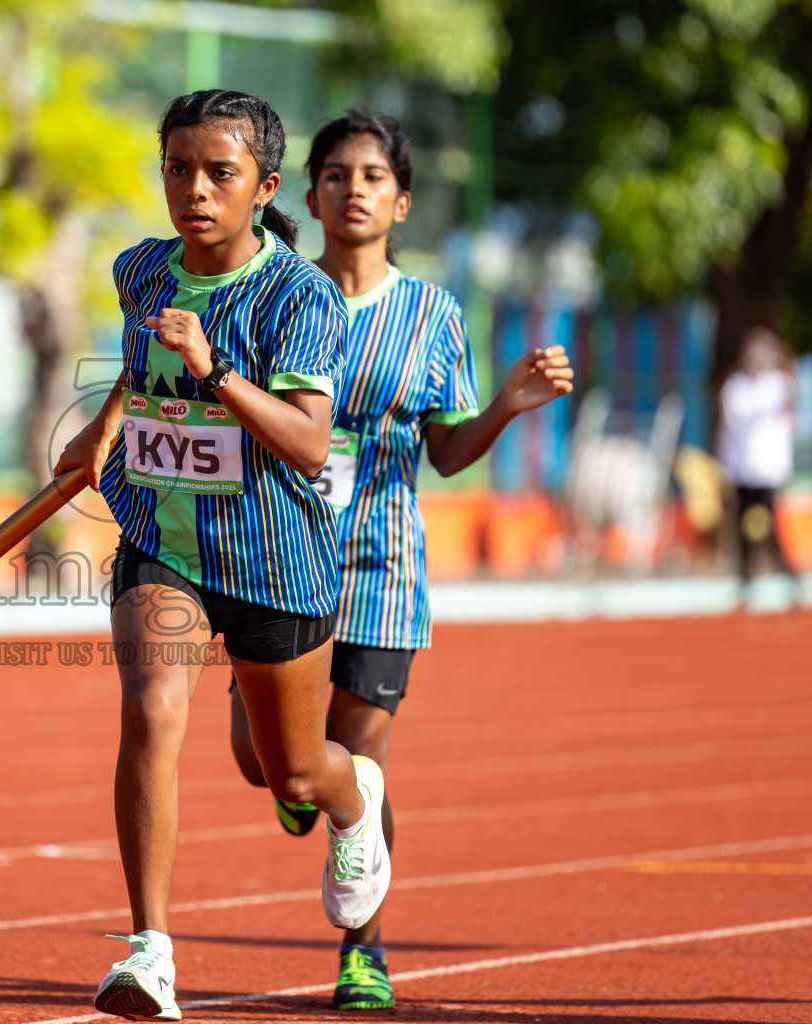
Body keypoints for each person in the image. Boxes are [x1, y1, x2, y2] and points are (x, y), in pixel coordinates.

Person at [226, 106, 574, 1011]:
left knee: (358, 762)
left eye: (373, 176)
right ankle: (309, 785)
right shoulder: (273, 293)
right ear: (308, 195)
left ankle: (363, 951)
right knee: (264, 765)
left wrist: (504, 404)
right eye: (336, 175)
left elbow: (448, 450)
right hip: (268, 559)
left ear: (403, 201)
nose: (354, 190)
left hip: (381, 569)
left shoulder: (431, 313)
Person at [54, 90, 391, 1022]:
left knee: (287, 776)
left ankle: (352, 799)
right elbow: (137, 358)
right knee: (152, 711)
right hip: (162, 541)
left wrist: (213, 368)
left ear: (265, 187)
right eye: (176, 169)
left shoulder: (301, 297)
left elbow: (313, 443)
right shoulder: (139, 271)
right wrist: (103, 430)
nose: (193, 189)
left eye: (219, 173)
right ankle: (148, 952)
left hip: (275, 560)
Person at [716, 327, 800, 603]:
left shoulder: (778, 383)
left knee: (771, 525)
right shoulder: (736, 387)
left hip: (766, 470)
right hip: (742, 468)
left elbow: (790, 385)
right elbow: (740, 417)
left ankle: (789, 578)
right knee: (741, 526)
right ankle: (745, 580)